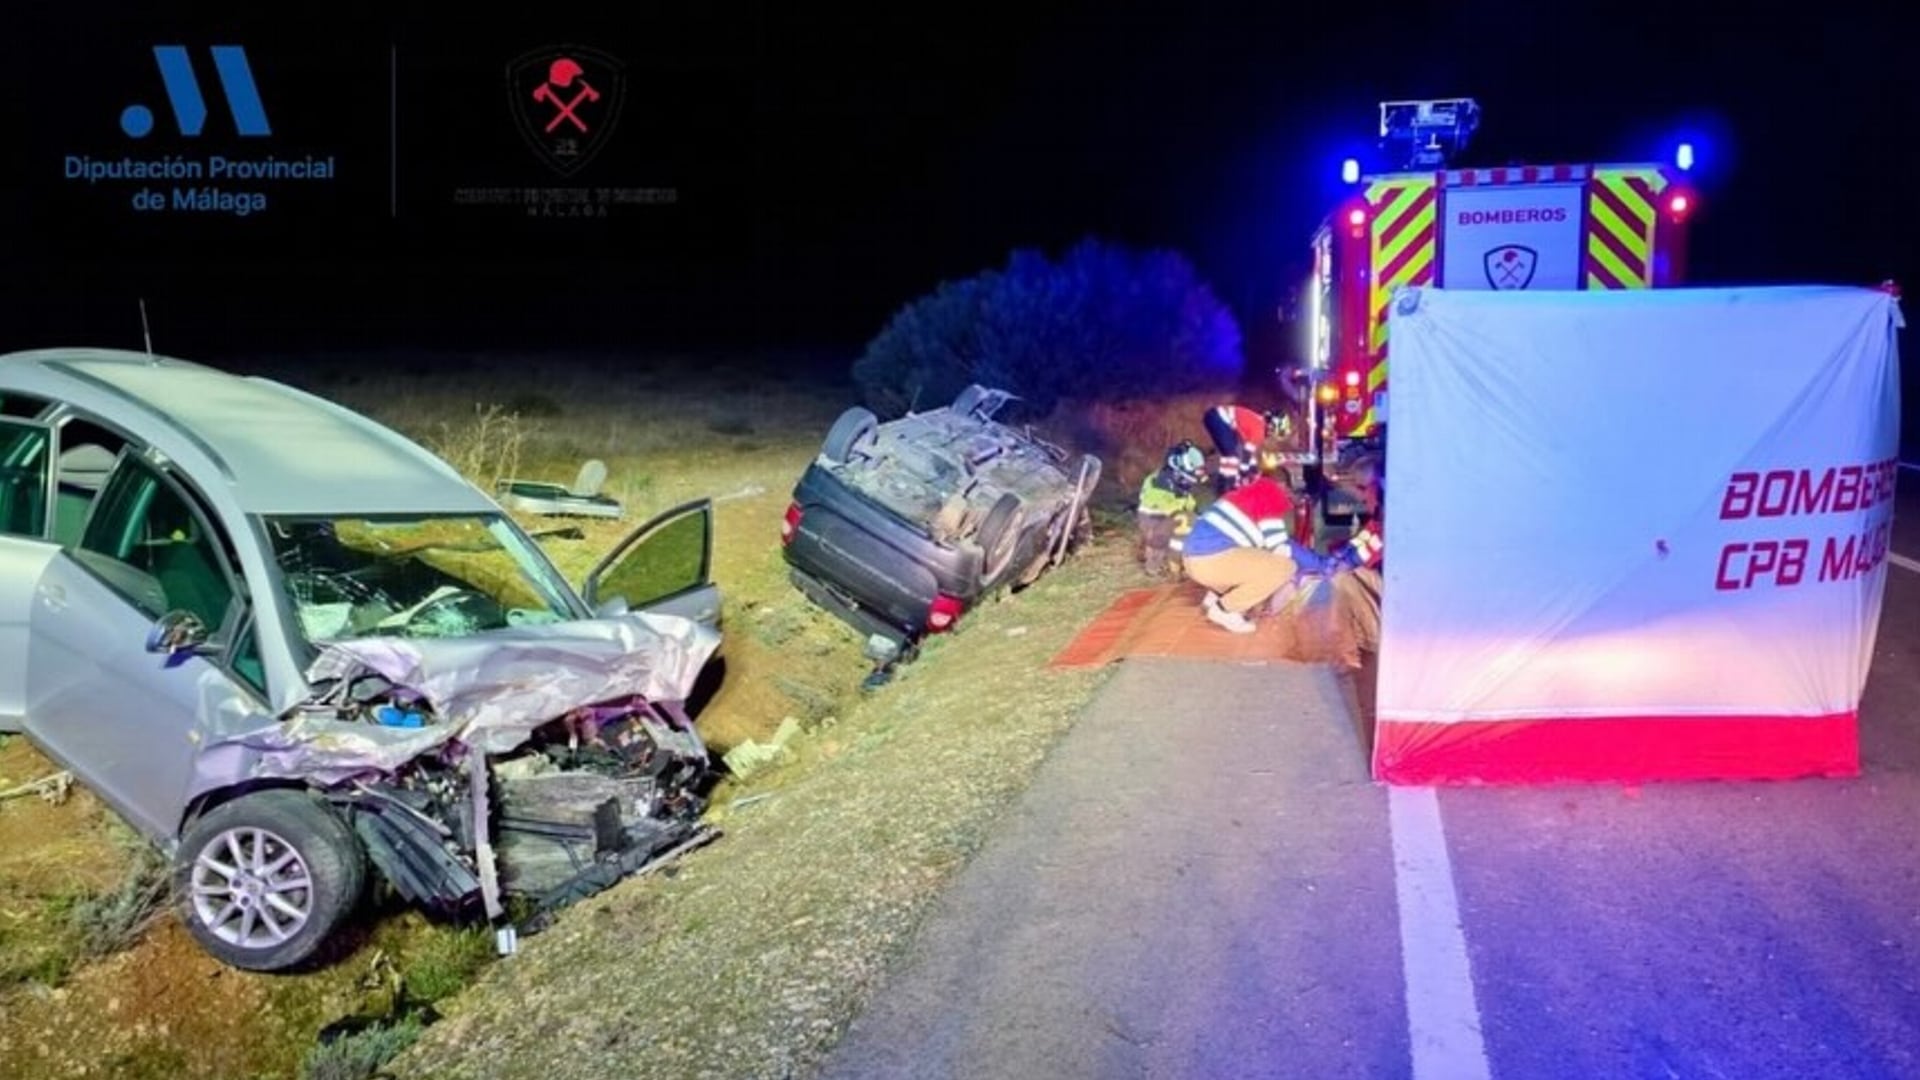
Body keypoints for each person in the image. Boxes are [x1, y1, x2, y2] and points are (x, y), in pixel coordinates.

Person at [1181, 473, 1361, 634]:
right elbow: (1281, 545)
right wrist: (1322, 564)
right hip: (1212, 561)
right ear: (1282, 485)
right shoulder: (1268, 493)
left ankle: (1215, 598)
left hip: (1194, 561)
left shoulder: (1247, 494)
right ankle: (1224, 609)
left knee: (1261, 560)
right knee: (1283, 567)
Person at [1136, 441, 1207, 576]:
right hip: (1154, 521)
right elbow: (1169, 508)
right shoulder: (1160, 482)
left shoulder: (1175, 481)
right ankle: (1169, 563)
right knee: (1187, 521)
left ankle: (1171, 559)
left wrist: (1197, 513)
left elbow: (1188, 501)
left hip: (1163, 520)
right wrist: (1190, 514)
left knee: (1191, 520)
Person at [1202, 403, 1287, 495]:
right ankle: (1227, 491)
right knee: (1232, 457)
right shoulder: (1259, 429)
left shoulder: (1258, 423)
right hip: (1217, 418)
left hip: (1216, 417)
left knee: (1231, 455)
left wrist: (1252, 469)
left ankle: (1224, 488)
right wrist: (1245, 471)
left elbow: (1245, 449)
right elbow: (1247, 453)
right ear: (1273, 426)